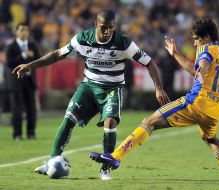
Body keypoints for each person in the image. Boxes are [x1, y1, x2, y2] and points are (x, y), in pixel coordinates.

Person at [12, 10, 169, 180]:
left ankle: (106, 168)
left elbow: (149, 63)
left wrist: (158, 87)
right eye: (103, 28)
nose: (107, 31)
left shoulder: (123, 43)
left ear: (114, 27)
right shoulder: (82, 39)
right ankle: (51, 162)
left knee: (110, 122)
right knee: (68, 119)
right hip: (88, 87)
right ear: (96, 24)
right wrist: (30, 66)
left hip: (112, 88)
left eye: (110, 28)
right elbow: (58, 54)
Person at [89, 17, 219, 182]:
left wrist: (179, 56)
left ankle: (116, 157)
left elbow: (200, 67)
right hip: (216, 109)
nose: (195, 44)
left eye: (196, 39)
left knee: (149, 122)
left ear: (206, 37)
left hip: (197, 102)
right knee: (211, 138)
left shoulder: (206, 49)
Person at [6, 23, 40, 140]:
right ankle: (17, 134)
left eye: (26, 30)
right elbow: (9, 63)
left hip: (30, 80)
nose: (24, 32)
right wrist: (23, 55)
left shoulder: (33, 45)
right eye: (21, 30)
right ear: (17, 32)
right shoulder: (11, 46)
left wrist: (31, 57)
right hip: (16, 82)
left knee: (31, 108)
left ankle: (31, 133)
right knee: (17, 109)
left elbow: (39, 61)